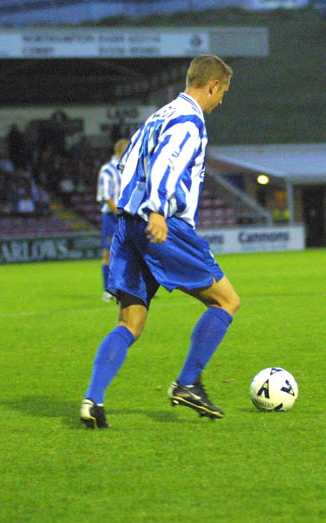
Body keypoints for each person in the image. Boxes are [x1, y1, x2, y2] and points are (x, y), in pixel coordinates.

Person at [80, 55, 238, 429]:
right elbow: (167, 162)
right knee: (227, 301)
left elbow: (127, 165)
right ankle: (187, 383)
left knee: (129, 321)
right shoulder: (189, 121)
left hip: (127, 224)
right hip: (162, 224)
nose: (222, 101)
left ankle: (93, 399)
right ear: (213, 85)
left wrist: (139, 211)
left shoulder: (159, 115)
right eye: (223, 93)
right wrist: (156, 210)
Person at [96, 138, 129, 302]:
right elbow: (106, 196)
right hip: (112, 217)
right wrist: (120, 213)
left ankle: (134, 288)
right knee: (108, 253)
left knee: (136, 252)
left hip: (129, 216)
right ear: (120, 152)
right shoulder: (107, 170)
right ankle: (109, 291)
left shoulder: (131, 169)